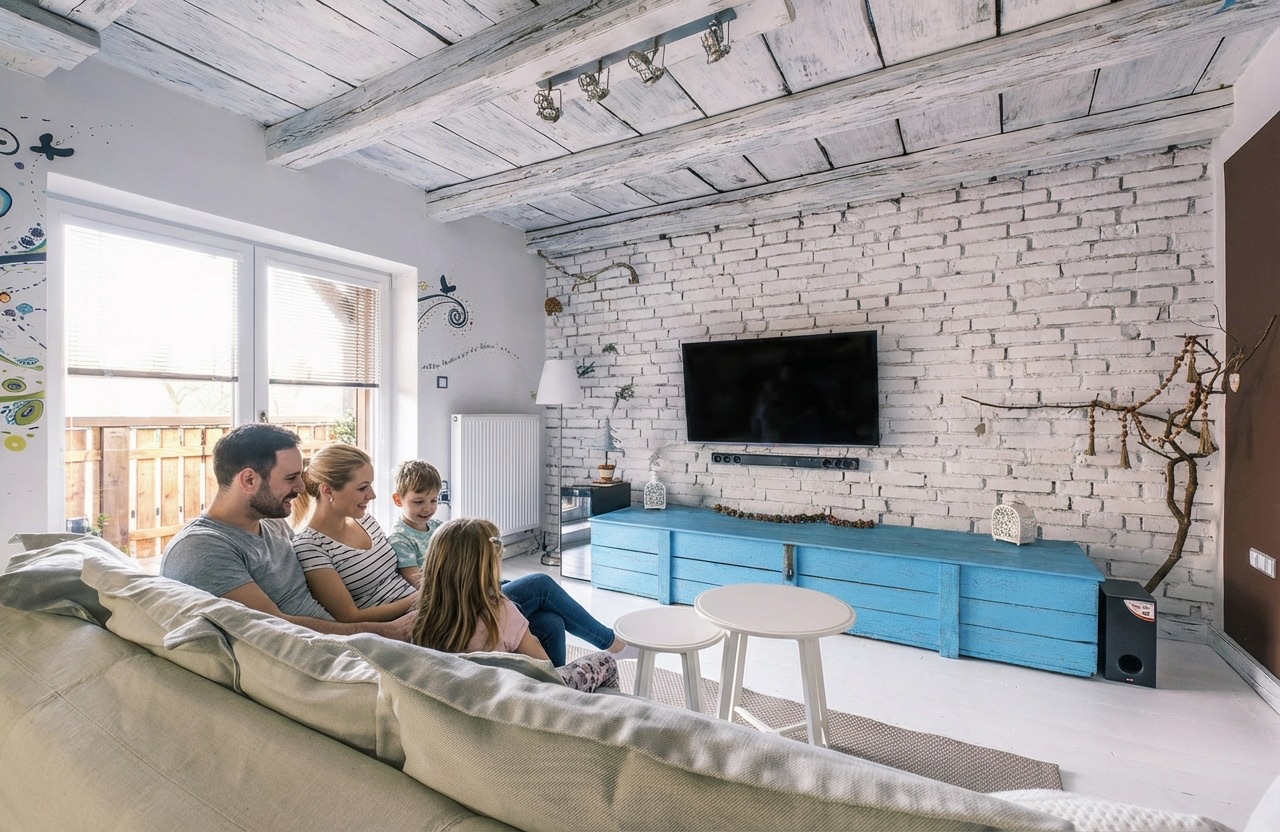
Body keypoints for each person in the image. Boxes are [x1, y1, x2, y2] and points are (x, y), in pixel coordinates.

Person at [160, 424, 412, 639]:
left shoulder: (273, 523)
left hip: (344, 639)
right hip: (325, 651)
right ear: (249, 480)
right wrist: (386, 631)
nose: (302, 487)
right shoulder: (201, 548)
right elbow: (275, 627)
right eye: (291, 478)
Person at [411, 517, 618, 692]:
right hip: (519, 699)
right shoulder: (501, 612)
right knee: (606, 661)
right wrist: (529, 638)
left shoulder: (423, 619)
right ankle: (609, 651)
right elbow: (546, 671)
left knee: (551, 622)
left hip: (473, 696)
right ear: (487, 570)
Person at [289, 443, 418, 623]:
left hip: (421, 609)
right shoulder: (310, 546)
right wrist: (420, 599)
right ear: (327, 491)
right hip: (397, 625)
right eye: (362, 487)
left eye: (370, 485)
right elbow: (349, 617)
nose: (372, 495)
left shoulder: (366, 521)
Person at [386, 460, 443, 588]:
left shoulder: (438, 526)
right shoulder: (399, 539)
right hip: (433, 592)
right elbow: (417, 582)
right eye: (418, 502)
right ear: (398, 500)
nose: (428, 508)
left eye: (433, 500)